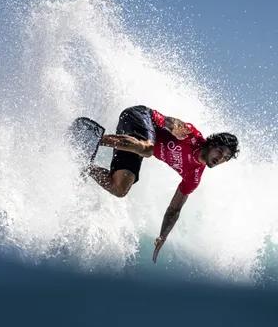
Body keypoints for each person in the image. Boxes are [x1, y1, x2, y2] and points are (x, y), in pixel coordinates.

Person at [86, 105, 239, 263]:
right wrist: (171, 125)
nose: (220, 158)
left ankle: (84, 164)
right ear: (212, 144)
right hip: (140, 116)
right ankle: (93, 137)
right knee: (148, 149)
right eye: (220, 152)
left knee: (120, 189)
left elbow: (174, 209)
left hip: (136, 143)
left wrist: (162, 236)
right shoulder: (190, 135)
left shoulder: (193, 177)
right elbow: (166, 121)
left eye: (225, 158)